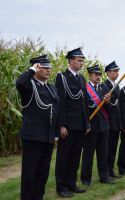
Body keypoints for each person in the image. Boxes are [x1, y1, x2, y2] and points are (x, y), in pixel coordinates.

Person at [16, 55, 59, 200]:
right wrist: (32, 70)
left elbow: (56, 111)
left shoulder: (52, 88)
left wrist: (56, 134)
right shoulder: (29, 86)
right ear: (37, 68)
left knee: (42, 173)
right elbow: (20, 83)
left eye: (49, 68)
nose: (48, 70)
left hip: (47, 137)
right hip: (33, 137)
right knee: (30, 173)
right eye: (44, 67)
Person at [55, 48, 90, 198]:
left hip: (80, 125)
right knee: (64, 156)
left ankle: (71, 183)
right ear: (70, 61)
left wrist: (87, 123)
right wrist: (61, 125)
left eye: (82, 60)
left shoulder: (81, 79)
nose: (81, 62)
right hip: (68, 125)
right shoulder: (62, 78)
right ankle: (61, 187)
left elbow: (84, 103)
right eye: (78, 60)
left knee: (75, 156)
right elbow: (60, 103)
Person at [80, 64, 115, 185]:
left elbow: (109, 109)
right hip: (91, 126)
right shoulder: (84, 89)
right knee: (88, 154)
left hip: (103, 126)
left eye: (100, 74)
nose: (98, 77)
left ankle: (104, 177)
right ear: (89, 75)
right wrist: (86, 124)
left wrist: (107, 102)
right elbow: (83, 108)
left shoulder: (104, 88)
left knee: (103, 153)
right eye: (96, 74)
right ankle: (86, 179)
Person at [100, 61, 123, 178]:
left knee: (113, 148)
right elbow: (106, 106)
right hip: (109, 121)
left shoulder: (116, 86)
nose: (117, 73)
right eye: (114, 71)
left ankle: (111, 170)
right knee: (107, 149)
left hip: (116, 122)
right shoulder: (105, 86)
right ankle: (106, 172)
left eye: (118, 71)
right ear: (108, 73)